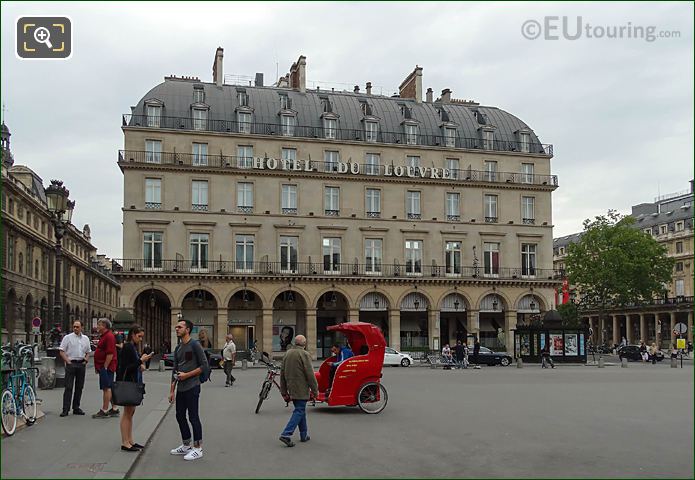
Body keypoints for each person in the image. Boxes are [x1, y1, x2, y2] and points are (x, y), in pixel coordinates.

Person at [169, 319, 207, 461]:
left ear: (188, 329)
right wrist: (172, 390)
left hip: (193, 386)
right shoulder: (178, 348)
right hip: (181, 388)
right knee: (179, 415)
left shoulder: (195, 345)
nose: (177, 329)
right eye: (176, 327)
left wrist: (187, 375)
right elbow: (174, 370)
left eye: (180, 327)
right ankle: (186, 445)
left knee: (193, 417)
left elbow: (204, 366)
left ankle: (198, 448)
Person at [117, 324, 154, 452]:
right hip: (128, 384)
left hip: (132, 382)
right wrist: (141, 361)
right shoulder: (128, 347)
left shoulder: (132, 347)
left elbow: (131, 366)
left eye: (142, 337)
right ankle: (125, 442)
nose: (140, 339)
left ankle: (130, 440)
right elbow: (126, 367)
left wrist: (140, 364)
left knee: (130, 412)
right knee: (127, 413)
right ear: (132, 334)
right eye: (139, 336)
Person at [279, 335, 319, 447]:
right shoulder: (304, 354)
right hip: (301, 388)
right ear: (304, 344)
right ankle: (286, 434)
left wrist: (283, 391)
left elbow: (282, 373)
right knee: (299, 410)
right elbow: (310, 374)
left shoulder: (287, 353)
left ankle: (303, 435)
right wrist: (315, 390)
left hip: (291, 387)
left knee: (300, 410)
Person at [58, 320, 91, 417]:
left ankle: (76, 407)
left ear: (82, 327)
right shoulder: (67, 338)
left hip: (81, 364)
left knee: (79, 387)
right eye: (74, 327)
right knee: (68, 387)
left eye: (77, 327)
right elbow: (61, 351)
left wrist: (86, 360)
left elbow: (88, 351)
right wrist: (68, 361)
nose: (75, 328)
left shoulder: (85, 338)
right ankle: (65, 409)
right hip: (71, 364)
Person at [92, 319, 120, 419]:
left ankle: (104, 410)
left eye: (99, 325)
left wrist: (105, 366)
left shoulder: (109, 336)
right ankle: (115, 408)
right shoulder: (105, 336)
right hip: (104, 366)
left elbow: (110, 353)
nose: (97, 327)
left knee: (106, 388)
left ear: (104, 326)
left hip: (107, 366)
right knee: (109, 387)